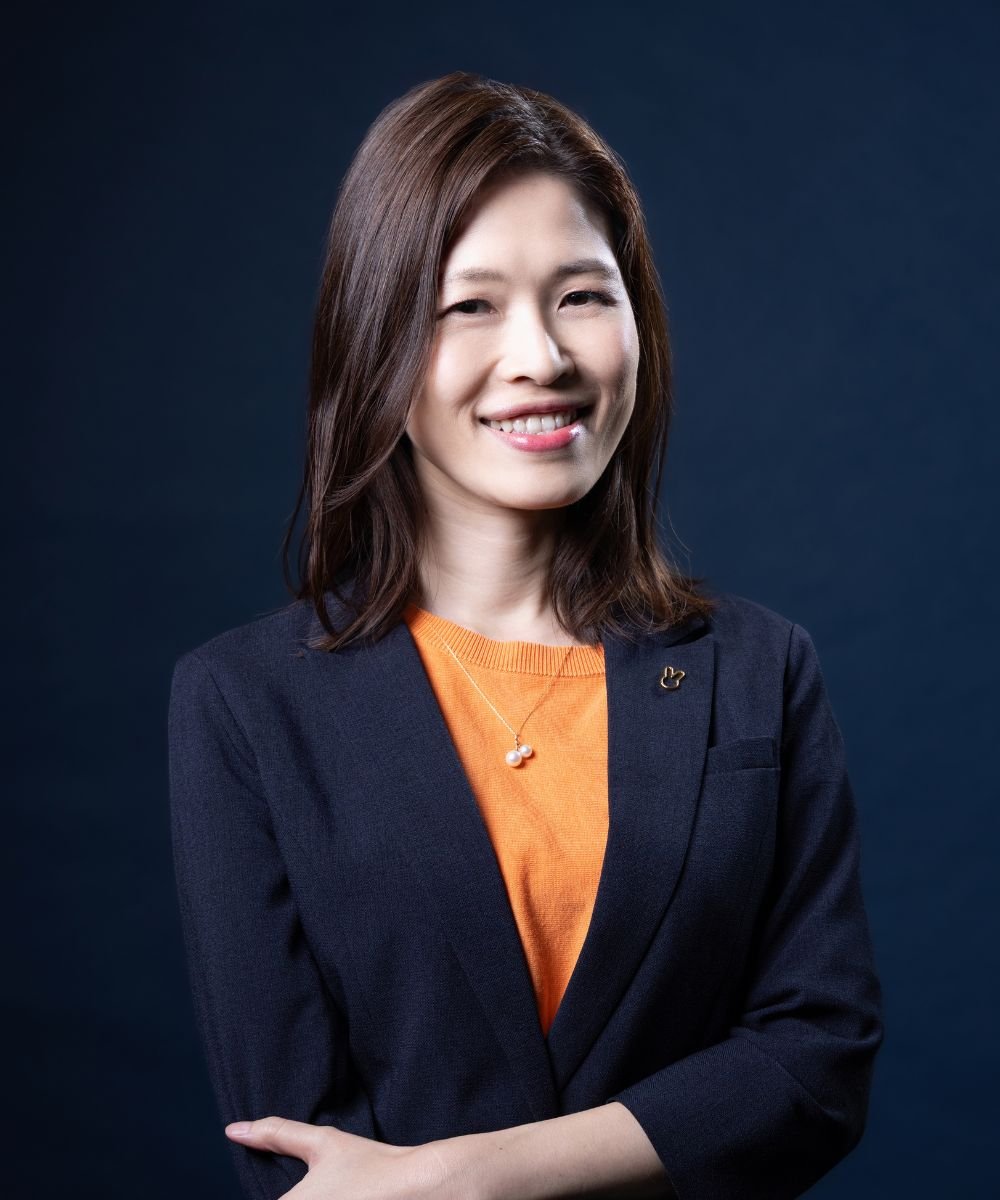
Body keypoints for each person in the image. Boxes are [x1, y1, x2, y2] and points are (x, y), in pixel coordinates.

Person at [167, 71, 884, 1200]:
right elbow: (297, 1149)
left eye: (582, 295)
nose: (541, 356)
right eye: (470, 306)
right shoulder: (246, 702)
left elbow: (817, 1057)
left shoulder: (759, 671)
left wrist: (474, 1178)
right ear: (375, 342)